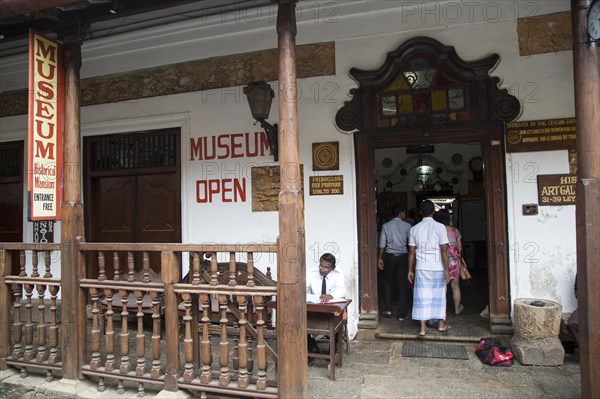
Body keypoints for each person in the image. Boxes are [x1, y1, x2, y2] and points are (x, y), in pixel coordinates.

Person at [408, 200, 450, 337]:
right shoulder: (440, 227)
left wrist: (410, 270)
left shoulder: (414, 229)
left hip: (421, 267)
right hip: (438, 267)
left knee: (421, 297)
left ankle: (423, 328)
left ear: (420, 212)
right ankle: (441, 324)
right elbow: (444, 249)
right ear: (434, 212)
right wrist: (447, 270)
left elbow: (411, 251)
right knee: (439, 296)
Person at [306, 253, 346, 360]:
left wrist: (331, 295)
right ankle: (311, 346)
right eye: (321, 266)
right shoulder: (312, 273)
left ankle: (333, 350)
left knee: (336, 320)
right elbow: (302, 285)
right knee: (303, 321)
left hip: (332, 308)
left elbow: (342, 290)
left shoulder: (338, 273)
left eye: (326, 267)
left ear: (332, 268)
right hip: (316, 307)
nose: (322, 269)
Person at [378, 203, 412, 321]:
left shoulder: (386, 226)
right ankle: (401, 315)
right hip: (403, 256)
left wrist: (380, 258)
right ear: (401, 213)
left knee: (388, 282)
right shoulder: (408, 226)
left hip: (390, 256)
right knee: (403, 284)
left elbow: (382, 243)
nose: (405, 214)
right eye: (404, 212)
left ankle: (388, 309)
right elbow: (411, 244)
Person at [433, 209, 464, 315]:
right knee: (455, 286)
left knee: (443, 287)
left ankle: (442, 311)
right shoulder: (454, 231)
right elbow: (459, 248)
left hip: (441, 261)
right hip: (454, 262)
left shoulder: (436, 230)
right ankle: (457, 309)